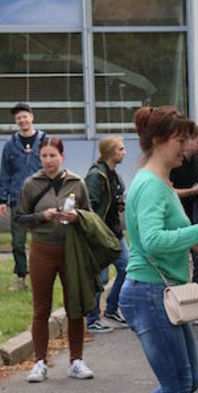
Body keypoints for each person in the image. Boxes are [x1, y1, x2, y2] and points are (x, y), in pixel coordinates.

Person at [118, 106, 198, 393]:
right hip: (150, 293)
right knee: (177, 386)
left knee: (188, 381)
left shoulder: (160, 182)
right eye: (180, 140)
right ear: (158, 141)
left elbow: (165, 236)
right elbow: (153, 241)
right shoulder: (152, 185)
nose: (186, 147)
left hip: (161, 291)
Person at [18, 135, 95, 383]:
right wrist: (43, 216)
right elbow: (20, 218)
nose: (49, 161)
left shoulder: (77, 183)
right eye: (44, 156)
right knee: (41, 307)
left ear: (62, 156)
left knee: (75, 305)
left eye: (53, 156)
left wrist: (77, 217)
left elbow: (89, 216)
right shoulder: (31, 184)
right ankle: (40, 362)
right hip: (42, 249)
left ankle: (76, 360)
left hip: (70, 251)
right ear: (39, 157)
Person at [0, 102, 46, 291]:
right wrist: (3, 200)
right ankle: (21, 277)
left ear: (31, 117)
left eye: (25, 116)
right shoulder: (10, 145)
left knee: (43, 239)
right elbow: (5, 173)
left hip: (41, 197)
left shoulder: (44, 140)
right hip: (17, 199)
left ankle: (43, 275)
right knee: (18, 242)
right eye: (18, 117)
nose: (22, 120)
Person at [84, 136, 129, 333]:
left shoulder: (114, 175)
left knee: (127, 269)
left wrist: (119, 204)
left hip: (115, 233)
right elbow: (88, 205)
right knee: (99, 279)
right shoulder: (96, 176)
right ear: (110, 152)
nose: (124, 152)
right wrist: (94, 232)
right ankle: (93, 319)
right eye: (121, 149)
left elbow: (112, 198)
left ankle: (111, 310)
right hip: (100, 235)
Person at [169, 125, 198, 325]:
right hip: (176, 221)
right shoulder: (173, 164)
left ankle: (194, 306)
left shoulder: (197, 162)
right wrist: (193, 191)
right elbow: (169, 192)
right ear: (188, 141)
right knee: (178, 266)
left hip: (194, 217)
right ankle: (175, 305)